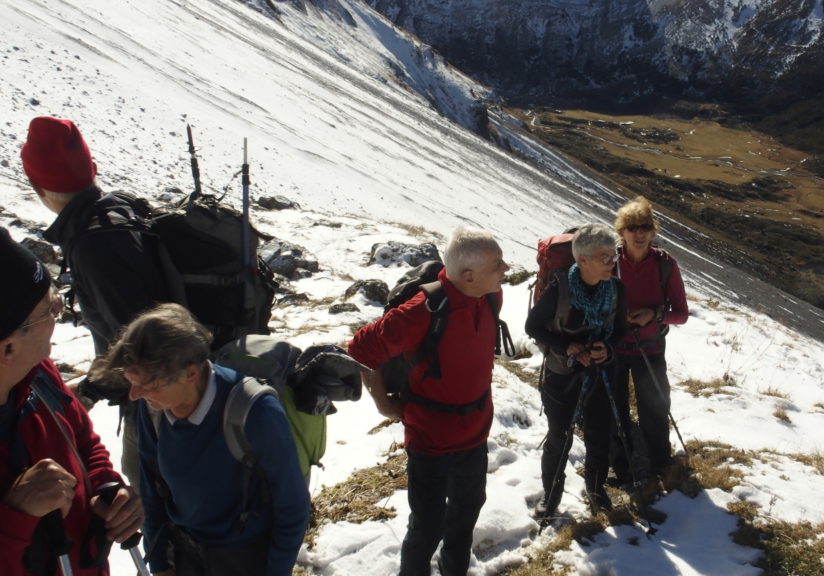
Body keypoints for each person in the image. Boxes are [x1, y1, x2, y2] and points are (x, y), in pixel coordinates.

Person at [20, 115, 181, 490]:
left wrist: (92, 391)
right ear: (90, 169)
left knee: (151, 492)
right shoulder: (118, 212)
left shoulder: (94, 244)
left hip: (158, 396)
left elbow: (139, 339)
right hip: (177, 381)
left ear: (38, 185)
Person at [90, 303, 310, 576]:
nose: (134, 395)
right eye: (131, 382)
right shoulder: (154, 410)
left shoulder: (254, 411)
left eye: (147, 384)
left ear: (190, 374)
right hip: (184, 551)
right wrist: (159, 564)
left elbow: (292, 505)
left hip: (245, 558)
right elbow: (151, 490)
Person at [347, 227, 509, 576]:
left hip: (475, 433)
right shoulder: (421, 311)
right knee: (427, 527)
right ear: (468, 276)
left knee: (465, 517)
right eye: (497, 264)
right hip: (430, 440)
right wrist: (382, 403)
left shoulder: (490, 296)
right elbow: (360, 349)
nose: (506, 269)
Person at [1, 227, 143, 576]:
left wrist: (106, 486)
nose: (57, 315)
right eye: (48, 310)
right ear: (8, 348)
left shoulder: (39, 374)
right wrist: (15, 517)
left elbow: (82, 441)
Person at [524, 223, 628, 518]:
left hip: (599, 372)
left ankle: (597, 493)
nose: (613, 263)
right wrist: (567, 346)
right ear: (583, 259)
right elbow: (533, 327)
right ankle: (552, 495)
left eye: (614, 256)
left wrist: (607, 349)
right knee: (560, 436)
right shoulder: (560, 288)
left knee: (599, 435)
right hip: (562, 374)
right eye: (605, 257)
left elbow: (620, 330)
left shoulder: (617, 289)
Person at [610, 196, 688, 486]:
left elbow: (681, 314)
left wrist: (654, 315)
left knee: (654, 410)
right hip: (615, 349)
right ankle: (621, 467)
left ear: (653, 231)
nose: (639, 234)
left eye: (645, 227)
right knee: (614, 411)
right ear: (622, 232)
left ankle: (660, 465)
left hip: (650, 348)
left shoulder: (665, 265)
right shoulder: (609, 263)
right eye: (632, 227)